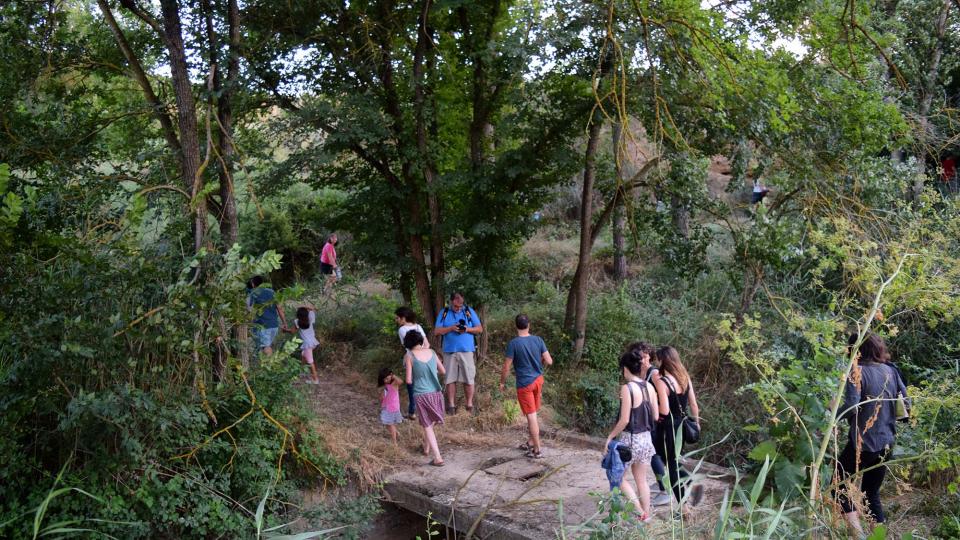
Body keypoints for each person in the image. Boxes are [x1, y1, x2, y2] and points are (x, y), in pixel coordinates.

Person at [834, 333, 906, 536]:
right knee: (870, 493)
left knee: (837, 486)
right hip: (887, 443)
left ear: (853, 349)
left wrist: (833, 412)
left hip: (862, 443)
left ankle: (858, 535)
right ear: (878, 348)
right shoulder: (892, 371)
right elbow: (905, 406)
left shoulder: (856, 371)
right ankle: (878, 536)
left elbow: (852, 407)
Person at [603, 348, 661, 523]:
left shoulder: (627, 388)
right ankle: (647, 515)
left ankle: (640, 512)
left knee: (618, 477)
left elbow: (624, 419)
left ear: (625, 369)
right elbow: (656, 416)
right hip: (647, 439)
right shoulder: (649, 386)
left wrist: (610, 437)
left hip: (631, 440)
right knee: (642, 480)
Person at [654, 346, 703, 516]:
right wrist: (696, 423)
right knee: (674, 462)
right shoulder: (684, 377)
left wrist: (653, 408)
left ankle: (684, 509)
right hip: (682, 425)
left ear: (663, 360)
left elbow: (665, 411)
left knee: (672, 466)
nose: (656, 362)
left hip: (668, 428)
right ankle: (692, 483)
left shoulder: (662, 381)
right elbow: (694, 404)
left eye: (658, 359)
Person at [499, 314, 554, 459]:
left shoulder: (514, 344)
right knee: (534, 412)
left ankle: (537, 450)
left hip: (525, 384)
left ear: (516, 326)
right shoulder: (538, 340)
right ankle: (531, 442)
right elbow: (549, 361)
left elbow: (506, 367)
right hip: (538, 381)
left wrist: (502, 382)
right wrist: (539, 361)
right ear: (529, 325)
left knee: (531, 417)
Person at [626, 341, 672, 507]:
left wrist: (657, 416)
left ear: (649, 356)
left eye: (645, 356)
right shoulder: (641, 373)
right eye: (640, 356)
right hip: (647, 421)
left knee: (654, 455)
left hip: (656, 421)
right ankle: (661, 484)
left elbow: (662, 399)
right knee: (653, 454)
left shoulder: (654, 373)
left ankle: (665, 491)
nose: (643, 360)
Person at [433, 292, 483, 414]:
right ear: (451, 302)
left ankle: (469, 406)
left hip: (467, 351)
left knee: (469, 378)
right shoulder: (444, 312)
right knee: (450, 379)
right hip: (449, 351)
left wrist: (467, 329)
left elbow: (479, 329)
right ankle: (451, 406)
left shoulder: (468, 311)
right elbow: (436, 331)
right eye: (456, 306)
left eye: (460, 306)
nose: (458, 308)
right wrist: (450, 328)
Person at [404, 330, 446, 466]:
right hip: (435, 392)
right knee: (430, 422)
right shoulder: (432, 353)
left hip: (421, 394)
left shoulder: (410, 356)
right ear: (420, 340)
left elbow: (409, 380)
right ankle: (427, 448)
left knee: (427, 425)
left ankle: (438, 457)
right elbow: (443, 371)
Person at [396, 306, 429, 420]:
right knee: (423, 384)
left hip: (411, 358)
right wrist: (423, 354)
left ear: (403, 318)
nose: (397, 320)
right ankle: (423, 410)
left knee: (411, 385)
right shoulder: (418, 327)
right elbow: (427, 344)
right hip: (424, 358)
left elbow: (408, 345)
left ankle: (412, 411)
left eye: (398, 318)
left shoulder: (402, 330)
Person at [247, 275, 286, 356]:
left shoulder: (253, 294)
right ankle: (263, 365)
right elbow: (280, 308)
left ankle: (271, 366)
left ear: (253, 284)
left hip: (263, 326)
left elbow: (249, 311)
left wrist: (248, 324)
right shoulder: (272, 292)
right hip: (274, 325)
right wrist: (284, 323)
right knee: (263, 347)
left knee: (265, 347)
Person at [285, 305, 320, 384]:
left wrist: (285, 330)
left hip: (307, 344)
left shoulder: (297, 321)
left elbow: (292, 332)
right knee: (303, 355)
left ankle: (315, 380)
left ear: (298, 315)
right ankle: (302, 372)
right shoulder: (310, 317)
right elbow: (313, 308)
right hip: (312, 342)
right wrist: (303, 306)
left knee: (310, 362)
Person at [378, 367, 404, 444]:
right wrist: (381, 397)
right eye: (384, 379)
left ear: (391, 375)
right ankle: (396, 433)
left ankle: (394, 442)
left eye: (387, 378)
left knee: (390, 424)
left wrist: (394, 376)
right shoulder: (385, 386)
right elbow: (382, 397)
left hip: (392, 407)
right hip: (386, 407)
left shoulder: (394, 384)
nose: (386, 380)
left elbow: (401, 381)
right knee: (386, 423)